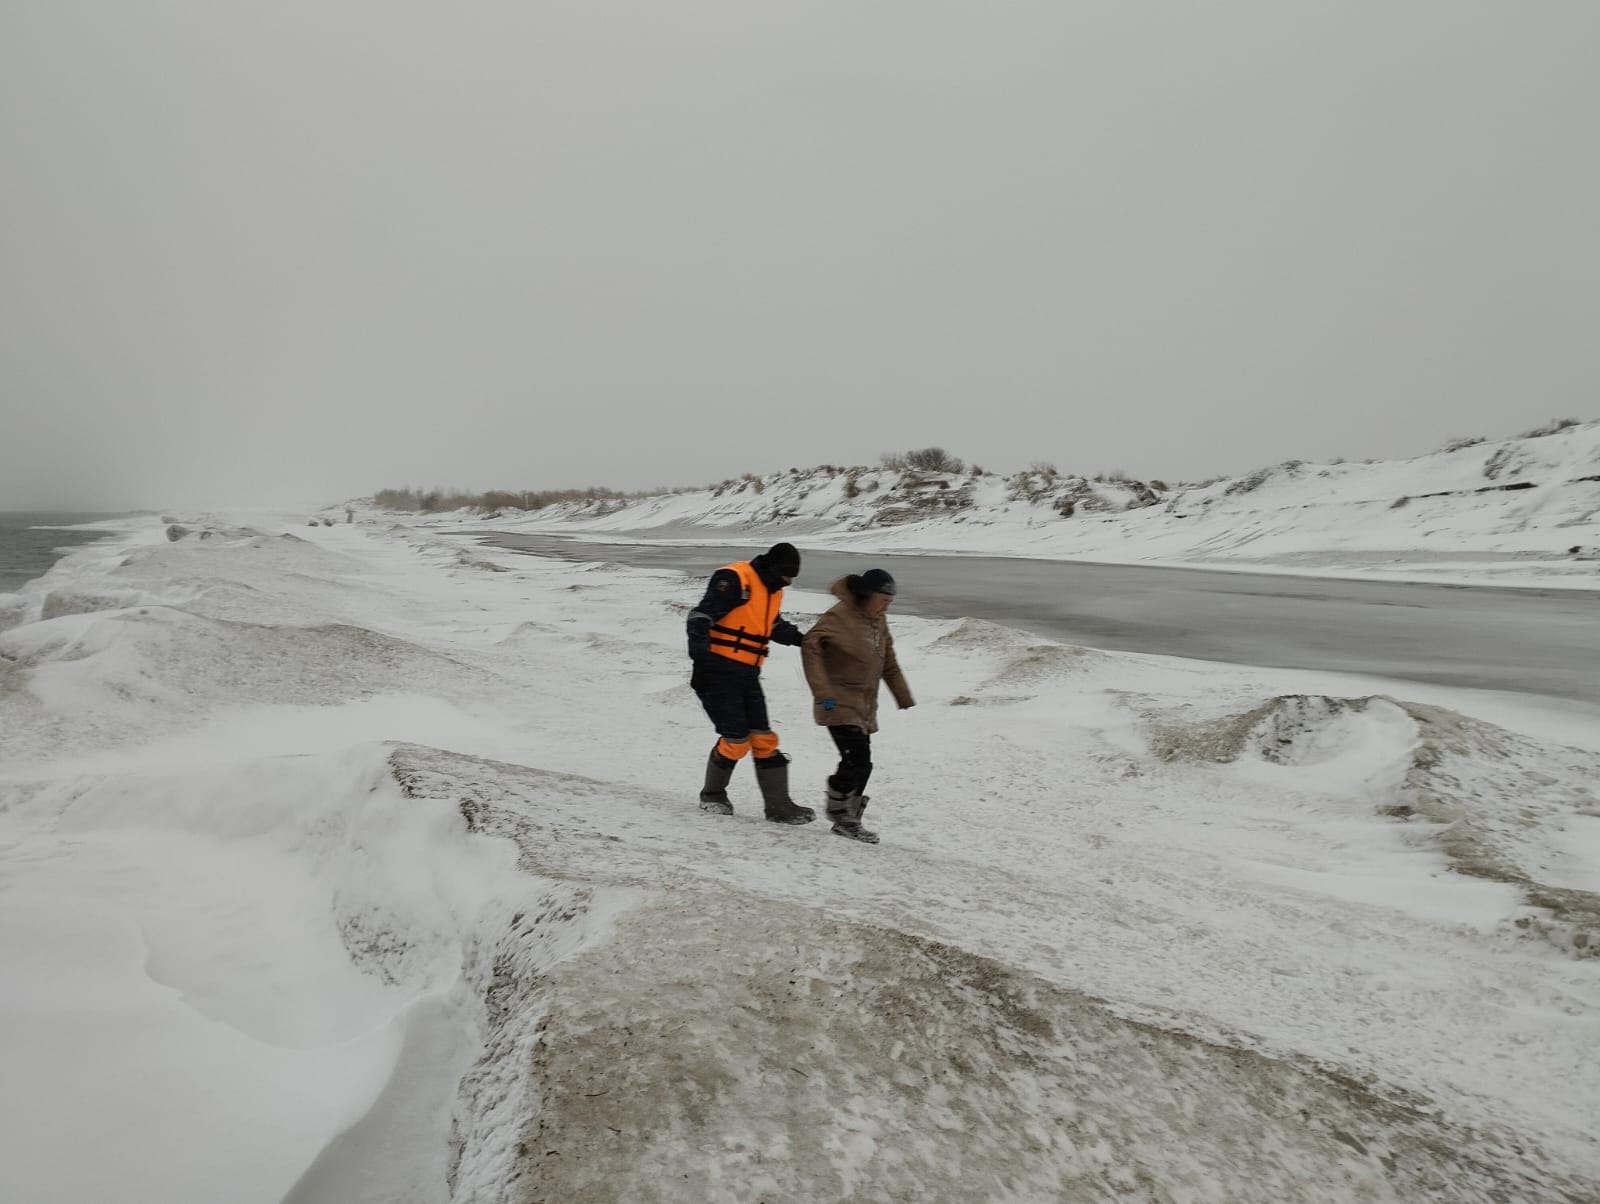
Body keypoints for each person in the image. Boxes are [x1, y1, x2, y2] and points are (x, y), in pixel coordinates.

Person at [686, 541, 816, 825]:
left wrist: (802, 640)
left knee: (763, 738)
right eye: (785, 575)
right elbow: (699, 617)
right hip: (718, 671)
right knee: (736, 739)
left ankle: (778, 807)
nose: (788, 582)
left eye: (791, 577)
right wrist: (701, 663)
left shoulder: (773, 590)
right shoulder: (734, 578)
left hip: (748, 673)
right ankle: (712, 795)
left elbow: (770, 626)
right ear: (772, 567)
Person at [800, 568, 914, 843]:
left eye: (890, 602)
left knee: (861, 763)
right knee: (858, 760)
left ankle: (847, 817)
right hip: (837, 702)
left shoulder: (878, 621)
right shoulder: (839, 616)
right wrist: (822, 691)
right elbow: (810, 646)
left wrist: (903, 695)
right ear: (866, 595)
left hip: (863, 705)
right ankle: (842, 815)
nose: (886, 606)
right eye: (883, 600)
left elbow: (888, 661)